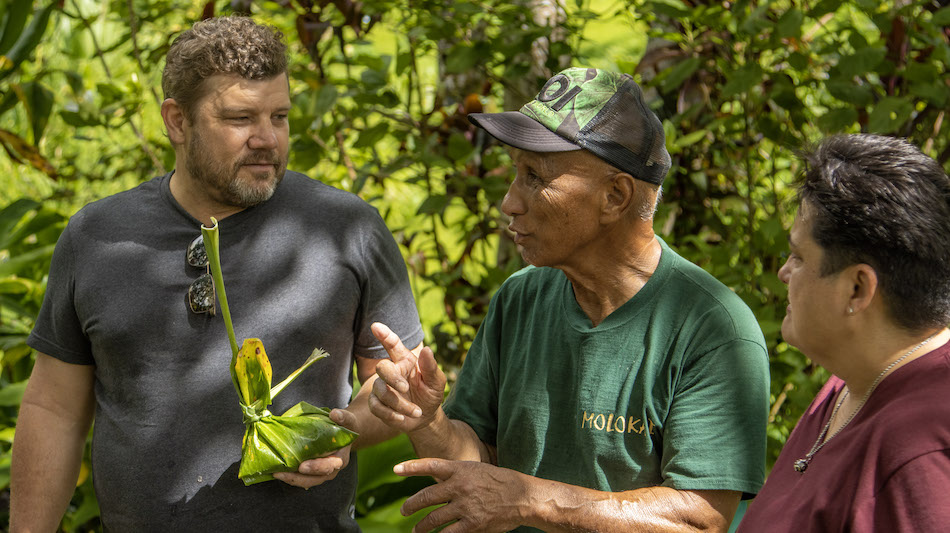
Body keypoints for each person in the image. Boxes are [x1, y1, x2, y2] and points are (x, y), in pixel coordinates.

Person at [10, 15, 423, 532]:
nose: (267, 139)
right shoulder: (97, 237)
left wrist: (343, 432)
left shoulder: (346, 229)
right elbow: (54, 410)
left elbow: (394, 381)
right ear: (177, 121)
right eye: (240, 118)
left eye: (280, 116)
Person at [367, 67, 771, 532]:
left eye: (535, 177)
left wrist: (531, 501)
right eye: (516, 173)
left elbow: (699, 520)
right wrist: (426, 419)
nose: (509, 203)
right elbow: (476, 465)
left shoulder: (712, 328)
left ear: (614, 196)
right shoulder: (521, 299)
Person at [737, 134, 950, 531]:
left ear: (858, 289)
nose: (783, 272)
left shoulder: (922, 451)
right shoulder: (850, 383)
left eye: (798, 257)